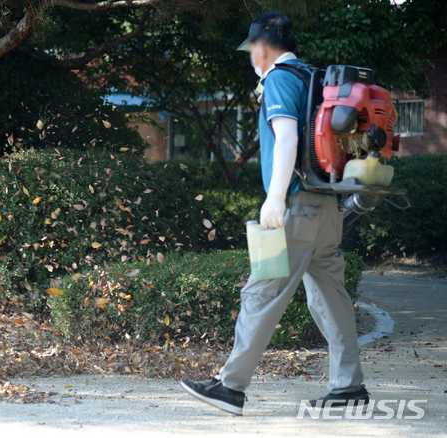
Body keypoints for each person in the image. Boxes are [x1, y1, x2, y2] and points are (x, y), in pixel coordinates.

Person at [179, 10, 369, 416]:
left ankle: (230, 387)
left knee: (261, 293)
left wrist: (276, 197)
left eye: (252, 48)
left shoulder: (280, 79)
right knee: (331, 297)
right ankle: (348, 387)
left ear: (262, 47)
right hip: (327, 209)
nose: (250, 56)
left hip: (296, 208)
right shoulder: (314, 80)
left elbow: (286, 137)